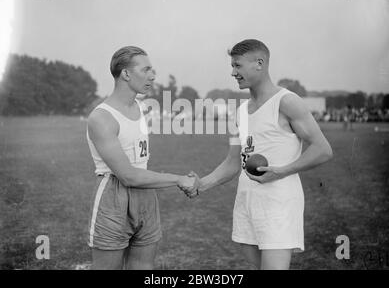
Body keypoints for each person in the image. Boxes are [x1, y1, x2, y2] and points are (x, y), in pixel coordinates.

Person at [184, 39, 333, 270]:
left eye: (238, 66)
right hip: (247, 202)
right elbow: (232, 163)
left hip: (278, 203)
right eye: (232, 66)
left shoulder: (286, 102)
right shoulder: (241, 112)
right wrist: (201, 184)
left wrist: (281, 171)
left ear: (259, 64)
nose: (233, 72)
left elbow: (323, 150)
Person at [86, 46, 198, 270]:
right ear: (126, 74)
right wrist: (179, 179)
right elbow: (127, 176)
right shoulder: (102, 118)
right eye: (146, 70)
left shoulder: (140, 107)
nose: (153, 75)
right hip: (114, 196)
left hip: (146, 195)